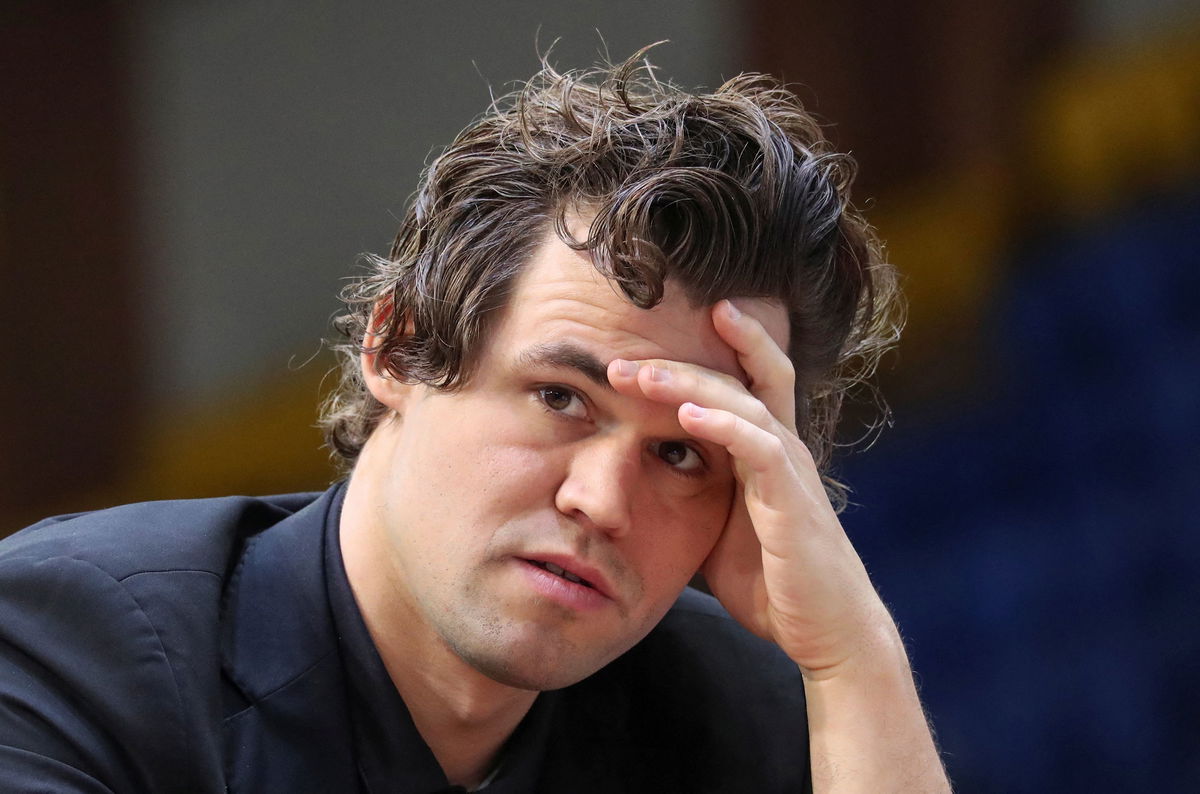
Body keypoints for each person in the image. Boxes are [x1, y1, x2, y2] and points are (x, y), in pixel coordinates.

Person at [0, 50, 949, 792]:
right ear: (399, 347)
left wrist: (850, 659)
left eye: (681, 453)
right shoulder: (66, 653)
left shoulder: (735, 713)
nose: (601, 501)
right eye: (561, 399)